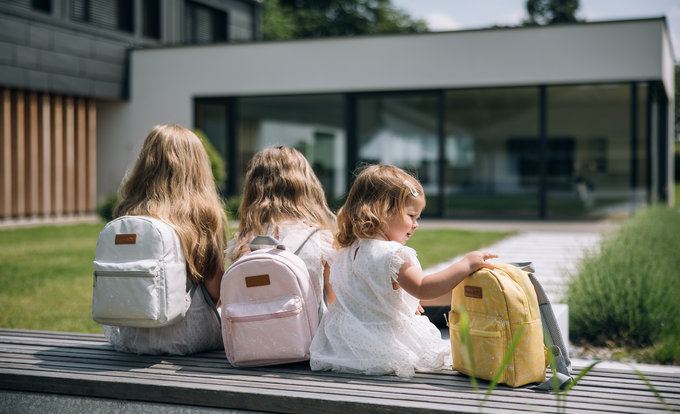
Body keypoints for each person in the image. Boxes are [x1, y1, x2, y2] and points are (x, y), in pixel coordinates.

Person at [310, 164, 497, 378]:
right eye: (411, 215)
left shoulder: (345, 252)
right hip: (384, 344)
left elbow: (360, 296)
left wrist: (399, 303)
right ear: (380, 210)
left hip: (347, 345)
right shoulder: (392, 254)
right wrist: (466, 264)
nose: (416, 224)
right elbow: (424, 288)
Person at [103, 124, 227, 355]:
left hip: (131, 336)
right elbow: (216, 291)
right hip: (185, 337)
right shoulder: (201, 215)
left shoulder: (127, 212)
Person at [225, 146, 337, 320]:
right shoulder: (320, 238)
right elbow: (334, 300)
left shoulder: (241, 241)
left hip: (251, 341)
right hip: (309, 342)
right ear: (305, 186)